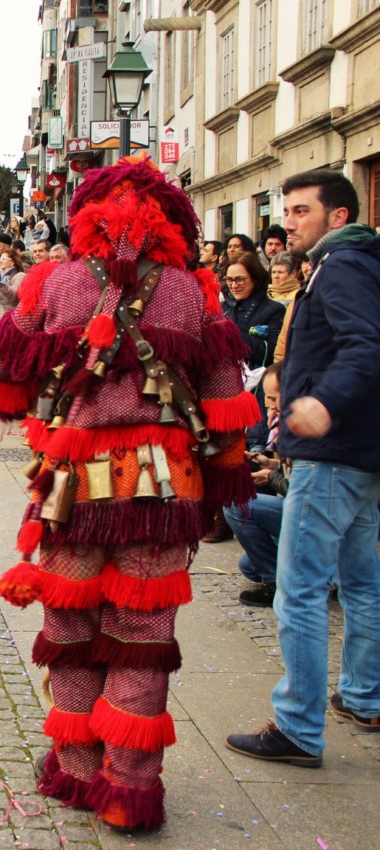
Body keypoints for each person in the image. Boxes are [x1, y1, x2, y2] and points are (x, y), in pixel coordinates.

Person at [0, 156, 259, 833]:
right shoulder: (194, 293)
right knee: (140, 638)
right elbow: (225, 406)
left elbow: (0, 382)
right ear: (172, 221)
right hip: (163, 497)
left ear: (85, 216)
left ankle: (76, 769)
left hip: (71, 495)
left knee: (70, 631)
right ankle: (127, 791)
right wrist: (219, 494)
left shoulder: (56, 281)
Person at [226, 169, 380, 767]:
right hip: (359, 453)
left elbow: (366, 345)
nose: (287, 222)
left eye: (299, 211)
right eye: (285, 211)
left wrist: (321, 401)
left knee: (301, 590)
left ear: (337, 216)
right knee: (362, 581)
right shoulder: (358, 263)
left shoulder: (341, 268)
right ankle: (364, 695)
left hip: (334, 455)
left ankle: (297, 727)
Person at [222, 362, 287, 607]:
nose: (268, 406)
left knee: (237, 507)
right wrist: (269, 464)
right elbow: (294, 470)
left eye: (272, 398)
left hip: (315, 519)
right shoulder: (286, 422)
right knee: (249, 567)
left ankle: (278, 584)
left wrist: (271, 478)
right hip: (303, 511)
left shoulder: (302, 423)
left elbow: (307, 490)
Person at [221, 251, 284, 369]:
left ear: (255, 278)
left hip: (255, 382)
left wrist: (231, 332)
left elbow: (272, 353)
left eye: (240, 279)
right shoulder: (221, 308)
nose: (234, 285)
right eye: (229, 279)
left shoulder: (274, 310)